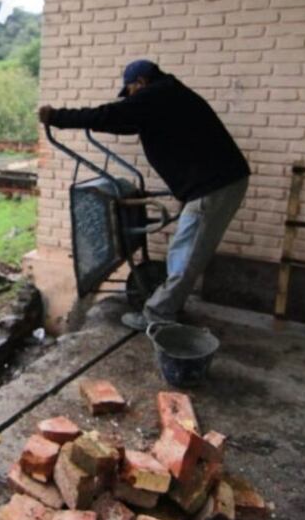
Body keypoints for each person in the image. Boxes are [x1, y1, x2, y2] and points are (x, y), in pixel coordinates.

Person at [38, 59, 250, 331]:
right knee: (185, 251)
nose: (131, 98)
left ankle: (158, 315)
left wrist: (58, 117)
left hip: (215, 185)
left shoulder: (158, 94)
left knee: (185, 254)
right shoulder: (167, 94)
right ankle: (170, 303)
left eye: (130, 92)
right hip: (216, 182)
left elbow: (112, 115)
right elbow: (124, 122)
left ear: (139, 82)